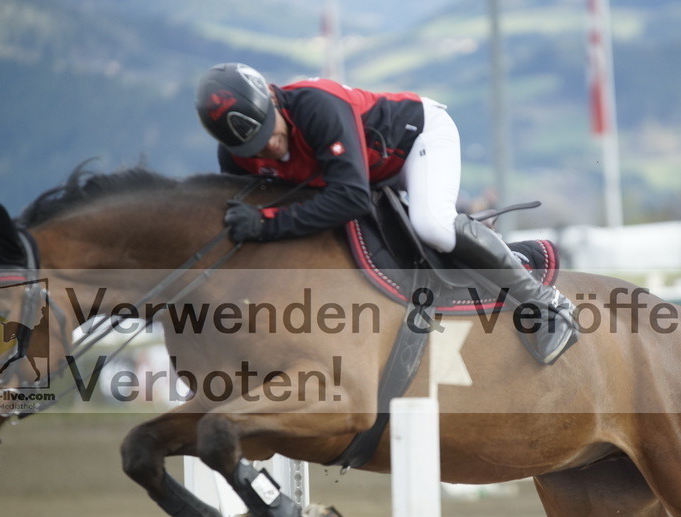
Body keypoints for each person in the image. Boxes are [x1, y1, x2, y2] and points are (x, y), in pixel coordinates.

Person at [194, 62, 577, 364]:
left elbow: (351, 199)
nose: (271, 149)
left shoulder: (316, 106)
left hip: (417, 141)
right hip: (369, 175)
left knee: (433, 226)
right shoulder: (236, 155)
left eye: (270, 133)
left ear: (273, 100)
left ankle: (546, 302)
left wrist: (265, 223)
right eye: (256, 150)